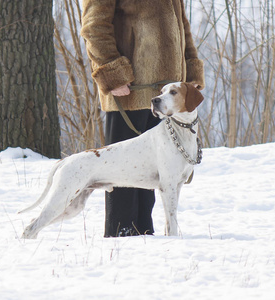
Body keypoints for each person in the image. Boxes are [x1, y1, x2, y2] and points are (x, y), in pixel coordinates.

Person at [81, 0, 205, 237]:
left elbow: (182, 27)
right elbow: (93, 25)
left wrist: (190, 75)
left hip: (167, 99)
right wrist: (112, 71)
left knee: (152, 178)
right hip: (129, 92)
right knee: (121, 176)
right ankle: (121, 238)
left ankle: (145, 240)